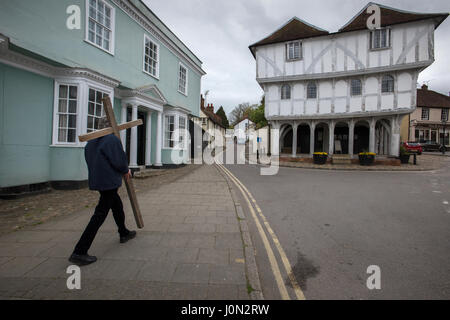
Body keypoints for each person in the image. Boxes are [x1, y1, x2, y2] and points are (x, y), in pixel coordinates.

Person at [69, 117, 136, 266]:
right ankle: (79, 251)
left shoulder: (91, 142)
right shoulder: (111, 140)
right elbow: (119, 161)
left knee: (117, 205)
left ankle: (123, 232)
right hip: (109, 182)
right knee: (99, 214)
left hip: (99, 181)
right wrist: (125, 170)